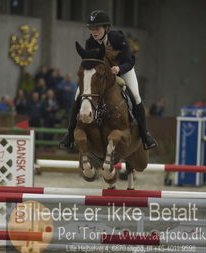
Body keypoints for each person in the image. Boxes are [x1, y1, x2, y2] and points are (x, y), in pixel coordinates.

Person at [59, 10, 157, 150]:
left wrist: (118, 69)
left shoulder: (118, 39)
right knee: (78, 94)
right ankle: (69, 134)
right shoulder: (90, 42)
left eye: (97, 28)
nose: (94, 31)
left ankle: (145, 134)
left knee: (135, 95)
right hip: (101, 75)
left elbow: (129, 61)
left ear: (106, 28)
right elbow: (89, 63)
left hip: (123, 70)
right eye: (91, 28)